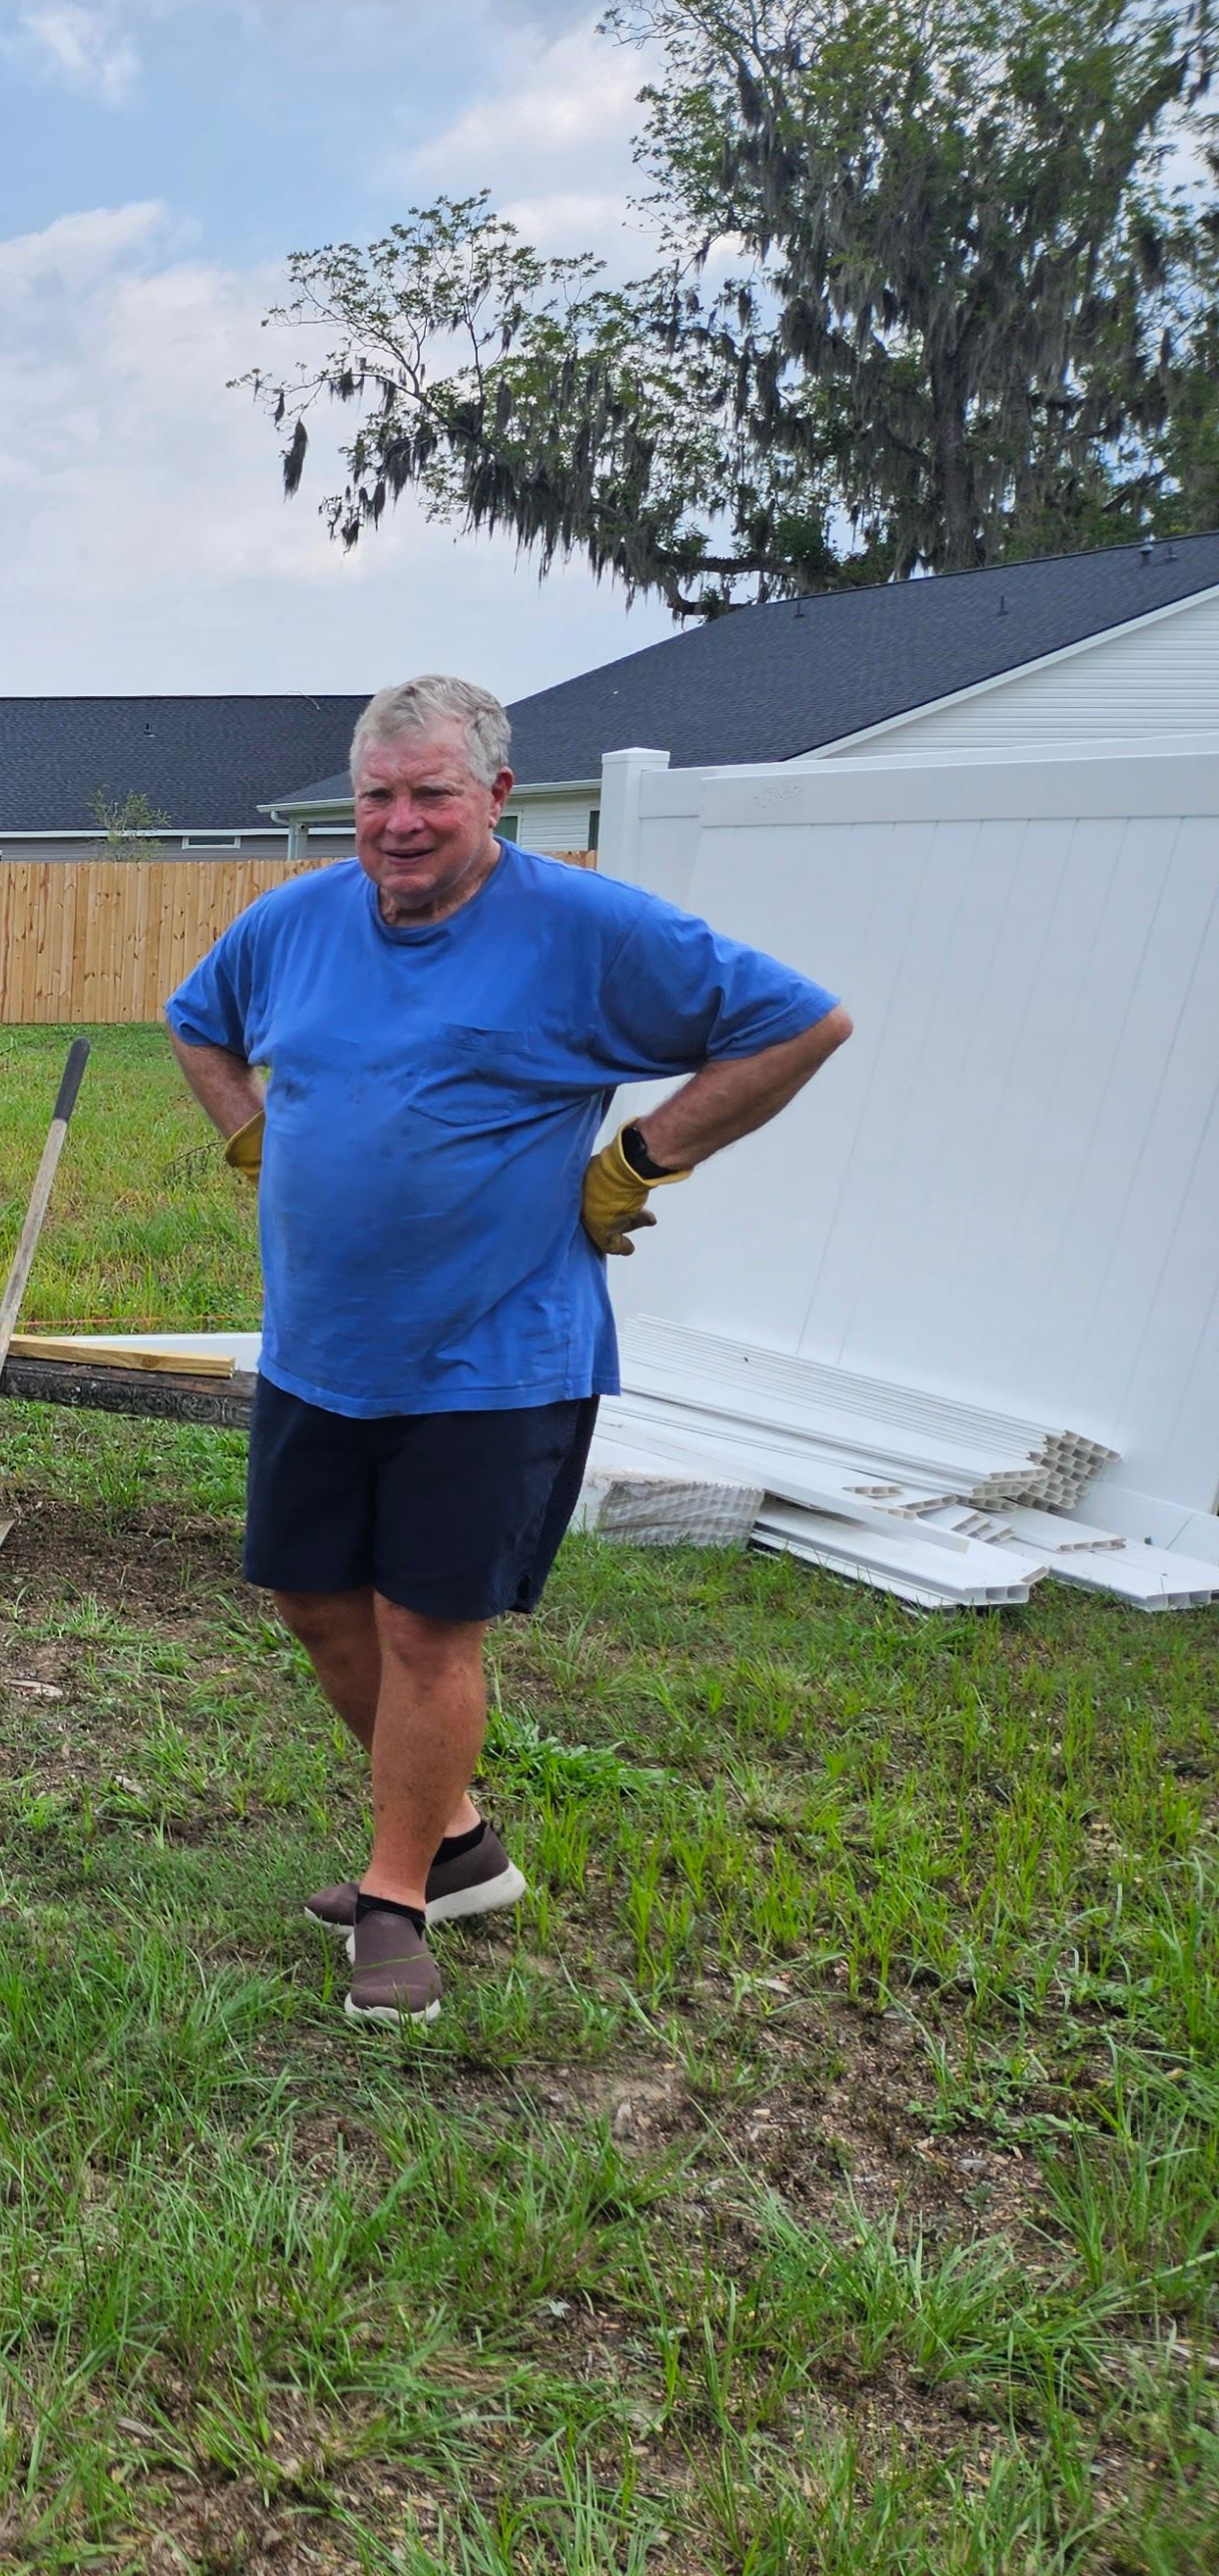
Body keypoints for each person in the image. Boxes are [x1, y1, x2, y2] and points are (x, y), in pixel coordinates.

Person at [164, 675, 851, 2023]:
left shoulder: (584, 930)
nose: (400, 821)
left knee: (429, 1627)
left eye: (430, 793)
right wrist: (251, 1131)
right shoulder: (294, 922)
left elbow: (797, 1021)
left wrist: (644, 1157)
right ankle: (456, 1840)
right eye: (377, 795)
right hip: (319, 1346)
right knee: (314, 1601)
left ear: (495, 794)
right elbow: (200, 1023)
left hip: (497, 1354)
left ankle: (397, 1896)